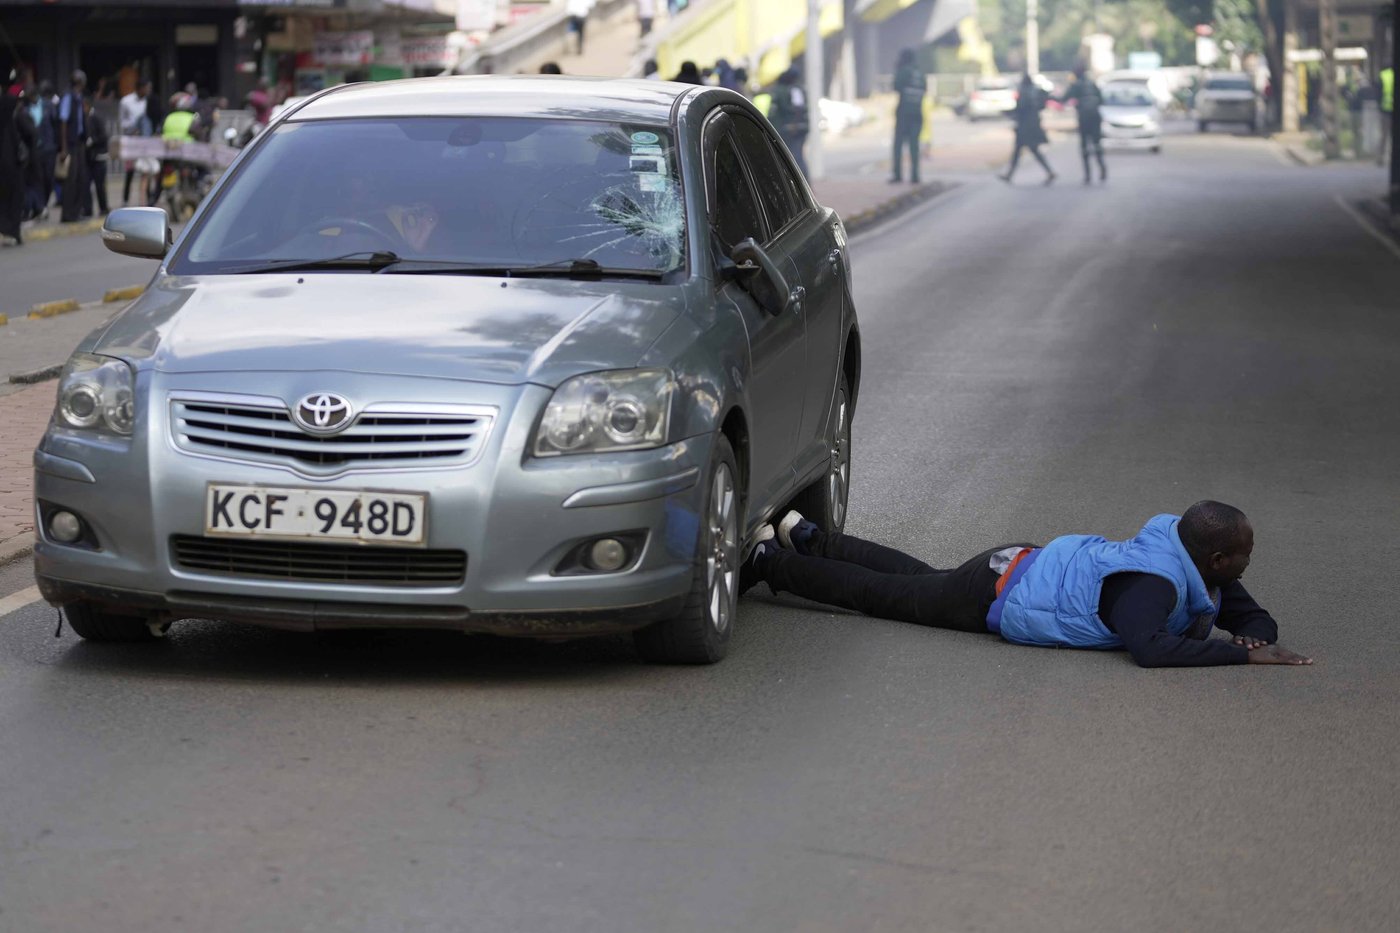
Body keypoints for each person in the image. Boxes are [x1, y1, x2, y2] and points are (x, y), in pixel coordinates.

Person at [740, 501, 1313, 668]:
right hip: (997, 591)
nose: (1248, 563)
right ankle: (770, 560)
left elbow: (1254, 618)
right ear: (1215, 558)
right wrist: (1239, 659)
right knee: (886, 596)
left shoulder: (1195, 571)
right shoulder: (1155, 586)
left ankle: (806, 535)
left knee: (914, 577)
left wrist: (1254, 638)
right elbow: (1150, 647)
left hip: (1014, 566)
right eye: (1244, 555)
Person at [998, 72, 1055, 185]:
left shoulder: (1024, 92)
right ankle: (1010, 174)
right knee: (1030, 150)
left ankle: (1010, 174)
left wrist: (1009, 113)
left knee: (1020, 151)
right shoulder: (1035, 91)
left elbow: (1021, 108)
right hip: (1033, 124)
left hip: (1025, 126)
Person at [1055, 64, 1105, 184]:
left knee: (1084, 147)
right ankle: (1102, 169)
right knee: (1097, 144)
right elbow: (1102, 99)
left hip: (1084, 119)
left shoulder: (1076, 85)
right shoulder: (1092, 83)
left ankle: (1088, 175)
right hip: (1096, 117)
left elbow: (1064, 99)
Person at [1, 85, 38, 245]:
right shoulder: (9, 120)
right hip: (11, 169)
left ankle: (9, 230)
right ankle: (12, 231)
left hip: (9, 168)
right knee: (14, 199)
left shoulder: (9, 121)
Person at [57, 69, 90, 222]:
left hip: (79, 143)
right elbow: (63, 122)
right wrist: (64, 148)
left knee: (80, 179)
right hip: (70, 144)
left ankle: (76, 212)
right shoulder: (68, 97)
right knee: (71, 180)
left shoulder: (79, 98)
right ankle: (68, 214)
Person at [890, 48, 926, 184]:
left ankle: (898, 175)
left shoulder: (903, 71)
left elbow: (896, 87)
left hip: (904, 112)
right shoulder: (920, 74)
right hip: (917, 112)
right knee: (914, 146)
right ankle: (915, 175)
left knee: (899, 144)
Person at [768, 66, 810, 177]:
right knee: (793, 157)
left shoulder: (793, 89)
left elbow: (798, 108)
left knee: (796, 158)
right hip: (790, 129)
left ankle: (803, 184)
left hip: (794, 129)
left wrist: (794, 125)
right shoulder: (788, 89)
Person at [119, 79, 151, 206]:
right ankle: (125, 201)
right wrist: (133, 128)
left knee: (146, 172)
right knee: (130, 173)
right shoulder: (126, 101)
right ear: (139, 88)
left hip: (145, 142)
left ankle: (147, 202)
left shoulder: (148, 102)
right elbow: (122, 122)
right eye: (146, 88)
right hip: (132, 140)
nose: (147, 91)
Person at [82, 95, 111, 216]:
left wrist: (92, 141)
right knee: (86, 185)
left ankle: (103, 208)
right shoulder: (83, 118)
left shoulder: (96, 118)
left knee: (100, 185)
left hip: (98, 156)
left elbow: (104, 136)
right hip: (88, 157)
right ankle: (87, 209)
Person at [1378, 63, 1393, 167]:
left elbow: (1378, 93)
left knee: (1384, 135)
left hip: (1385, 109)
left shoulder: (1383, 75)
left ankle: (1381, 157)